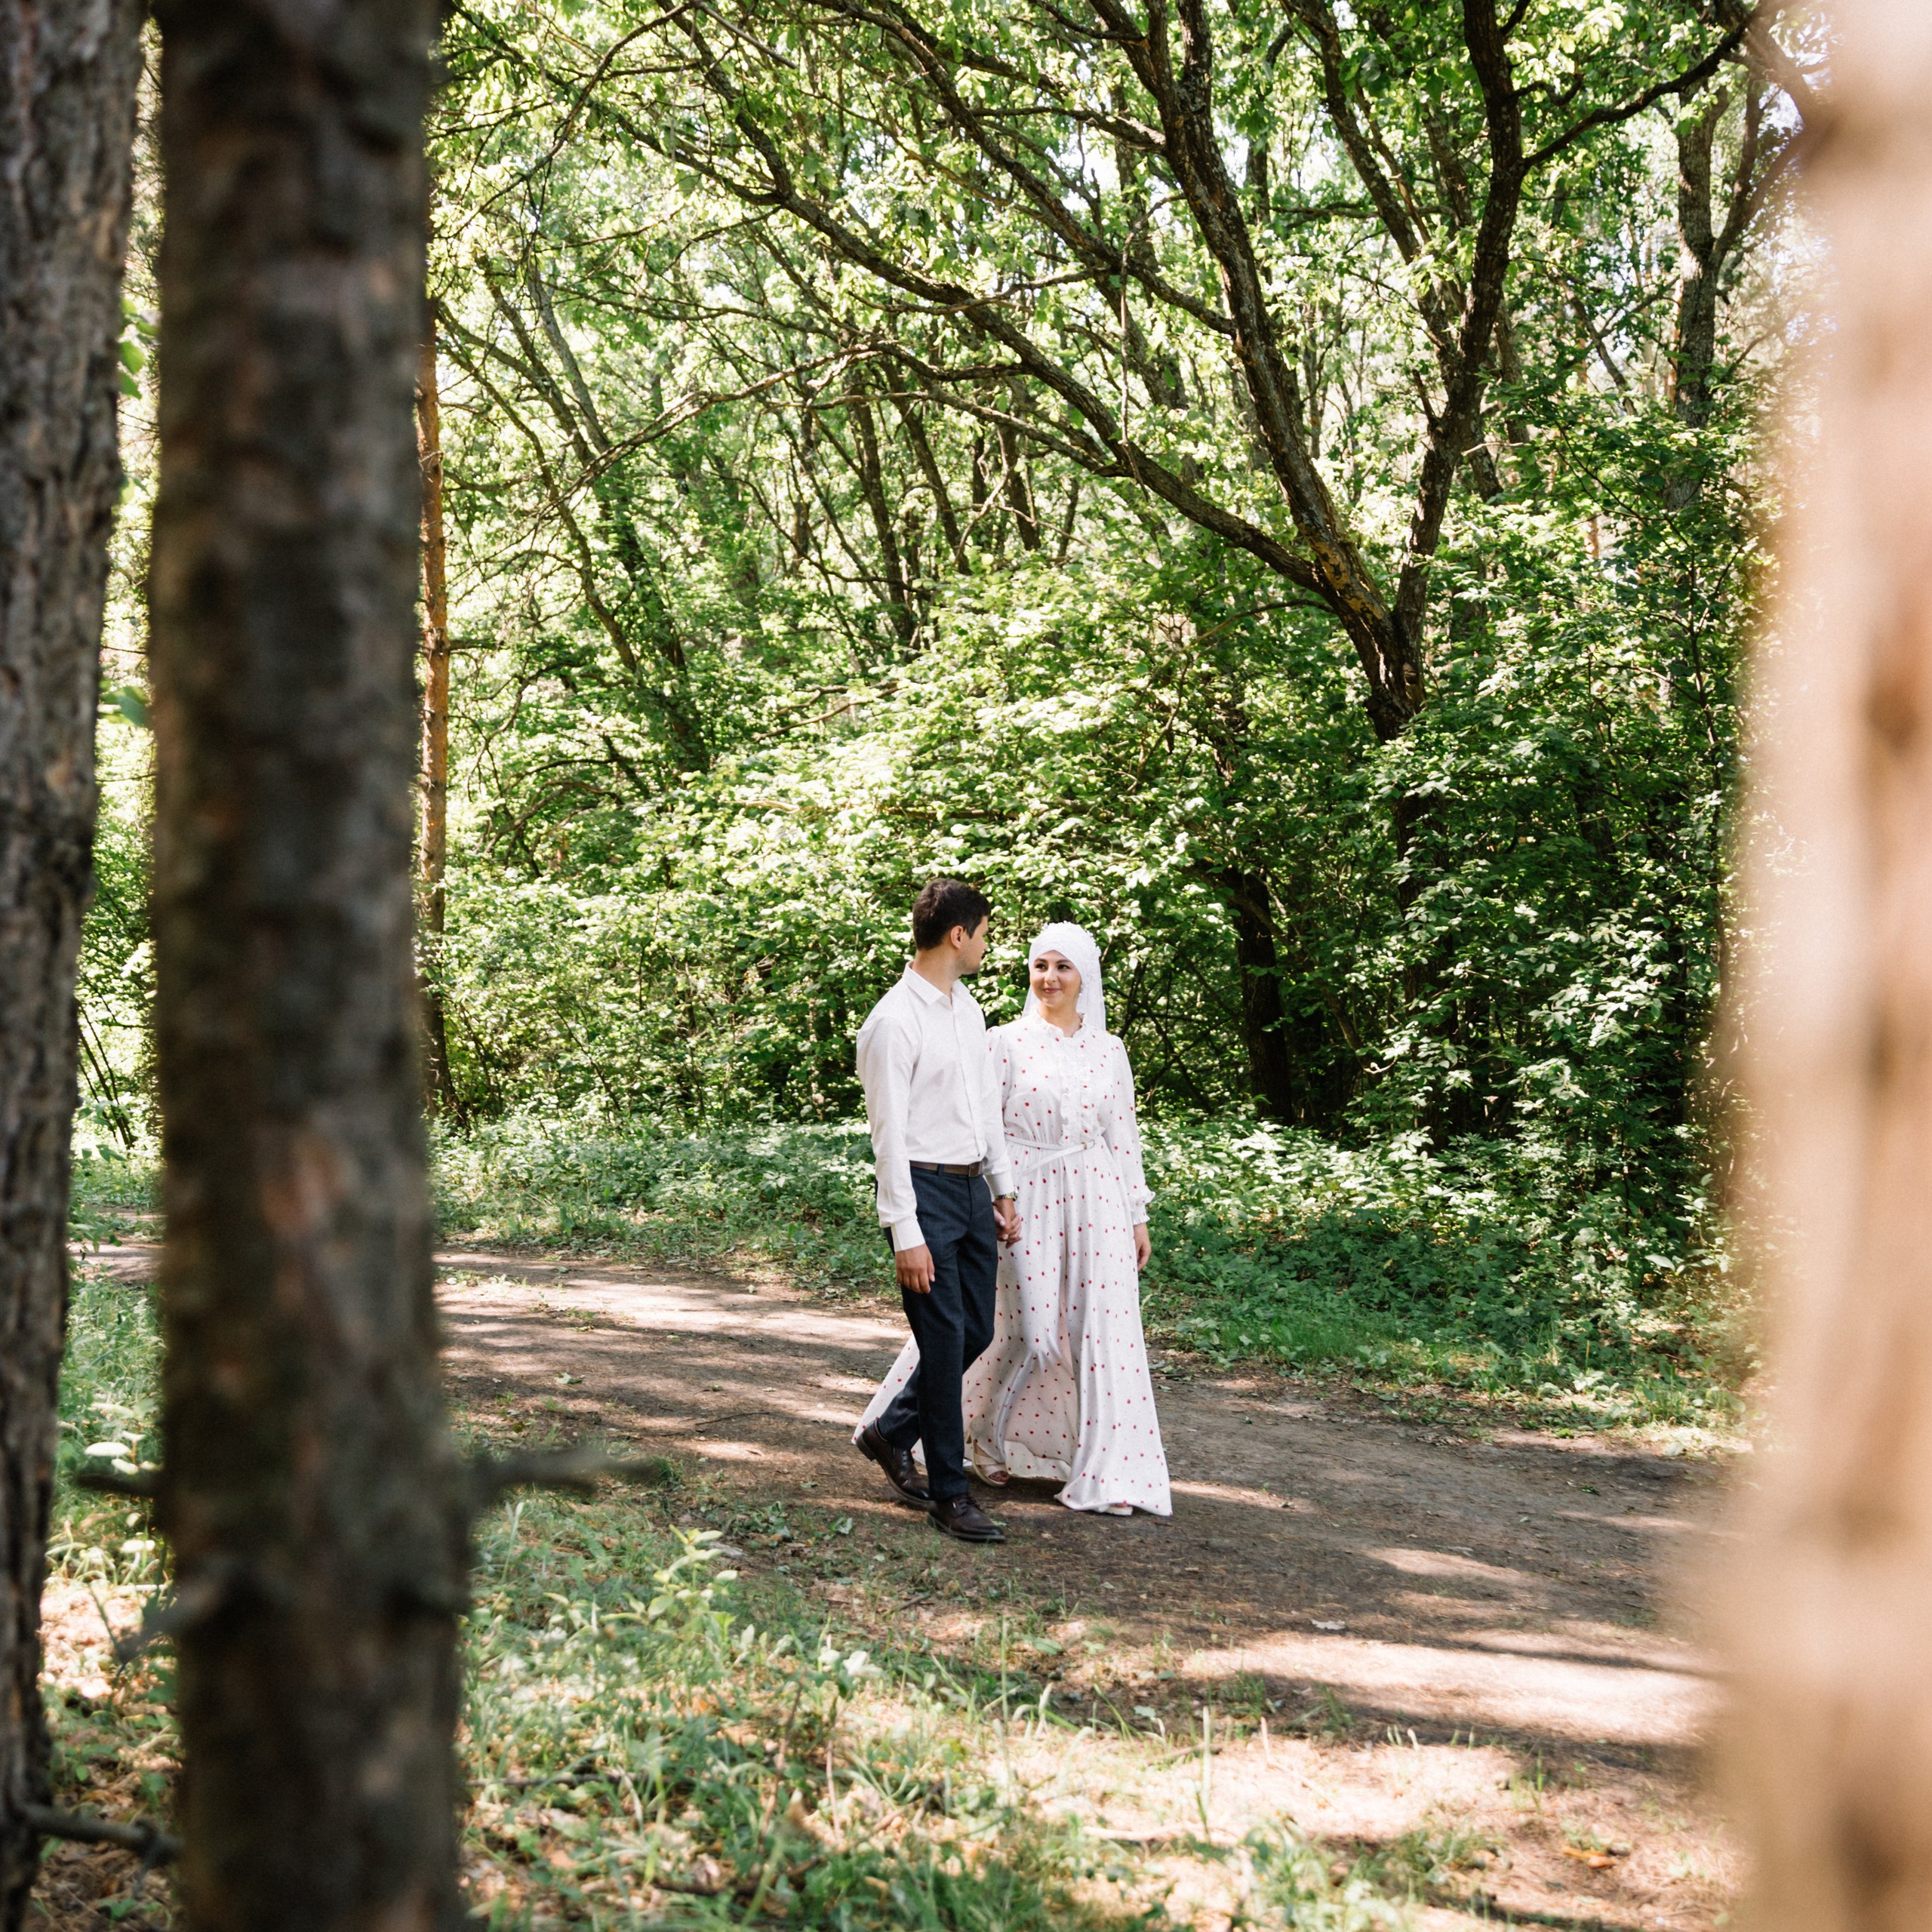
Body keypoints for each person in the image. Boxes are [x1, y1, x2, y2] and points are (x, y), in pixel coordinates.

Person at [859, 921, 1172, 1518]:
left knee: (1100, 1333)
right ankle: (979, 1436)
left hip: (1097, 1197)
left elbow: (1122, 1135)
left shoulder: (1110, 1050)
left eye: (1063, 967)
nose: (1049, 978)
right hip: (1023, 1195)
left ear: (1085, 977)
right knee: (1016, 1328)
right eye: (1040, 966)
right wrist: (996, 1196)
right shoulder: (1003, 1040)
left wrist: (1136, 1214)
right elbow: (984, 1124)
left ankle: (1105, 1465)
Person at [852, 878, 1021, 1543]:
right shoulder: (893, 1022)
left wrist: (1001, 1188)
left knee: (975, 1330)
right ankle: (952, 1494)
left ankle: (889, 1431)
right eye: (983, 933)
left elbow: (984, 1105)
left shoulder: (966, 1008)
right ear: (959, 935)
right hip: (922, 1193)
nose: (986, 945)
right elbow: (886, 1138)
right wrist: (905, 1233)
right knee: (945, 1343)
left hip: (973, 1190)